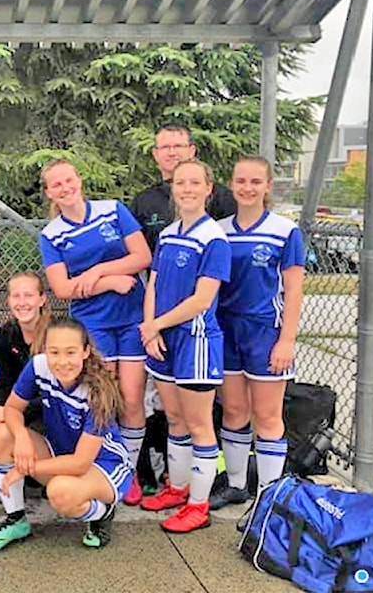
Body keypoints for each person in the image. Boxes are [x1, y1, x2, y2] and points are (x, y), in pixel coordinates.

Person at [39, 158, 152, 505]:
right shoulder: (51, 235)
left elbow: (143, 256)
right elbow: (61, 288)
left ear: (79, 180)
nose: (65, 188)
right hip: (93, 323)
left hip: (131, 316)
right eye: (56, 185)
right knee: (105, 399)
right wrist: (111, 282)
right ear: (49, 193)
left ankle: (129, 470)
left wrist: (98, 272)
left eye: (69, 180)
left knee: (132, 399)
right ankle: (106, 464)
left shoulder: (113, 211)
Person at [0, 317, 132, 551]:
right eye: (54, 352)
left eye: (71, 352)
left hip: (102, 463)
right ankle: (16, 520)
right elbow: (11, 408)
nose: (62, 362)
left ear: (85, 352)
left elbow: (81, 463)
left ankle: (102, 511)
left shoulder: (98, 391)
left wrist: (23, 468)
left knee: (60, 492)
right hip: (59, 451)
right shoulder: (38, 366)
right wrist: (21, 437)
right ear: (45, 351)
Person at [138, 159, 231, 533]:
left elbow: (202, 300)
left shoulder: (214, 239)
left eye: (195, 182)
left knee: (198, 424)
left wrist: (155, 324)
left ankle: (199, 505)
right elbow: (154, 284)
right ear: (172, 187)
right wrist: (151, 330)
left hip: (195, 341)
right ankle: (176, 489)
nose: (187, 189)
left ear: (209, 189)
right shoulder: (169, 233)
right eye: (181, 182)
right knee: (173, 419)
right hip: (162, 338)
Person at [211, 156, 305, 510]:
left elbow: (294, 289)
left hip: (265, 332)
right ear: (231, 185)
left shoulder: (284, 231)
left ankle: (270, 493)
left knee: (267, 415)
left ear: (267, 186)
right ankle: (236, 484)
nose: (247, 188)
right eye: (241, 181)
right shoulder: (218, 230)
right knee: (234, 410)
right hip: (226, 330)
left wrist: (287, 339)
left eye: (255, 182)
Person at [0, 272, 51, 478]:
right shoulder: (7, 333)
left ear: (42, 299)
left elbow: (57, 394)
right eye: (16, 296)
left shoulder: (56, 334)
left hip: (50, 410)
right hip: (20, 404)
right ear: (8, 300)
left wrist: (10, 413)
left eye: (29, 295)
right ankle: (1, 462)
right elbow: (4, 380)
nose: (22, 302)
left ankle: (46, 466)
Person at [130, 125, 237, 253]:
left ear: (192, 150)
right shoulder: (143, 202)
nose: (172, 153)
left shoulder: (223, 198)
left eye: (178, 146)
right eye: (165, 147)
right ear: (155, 154)